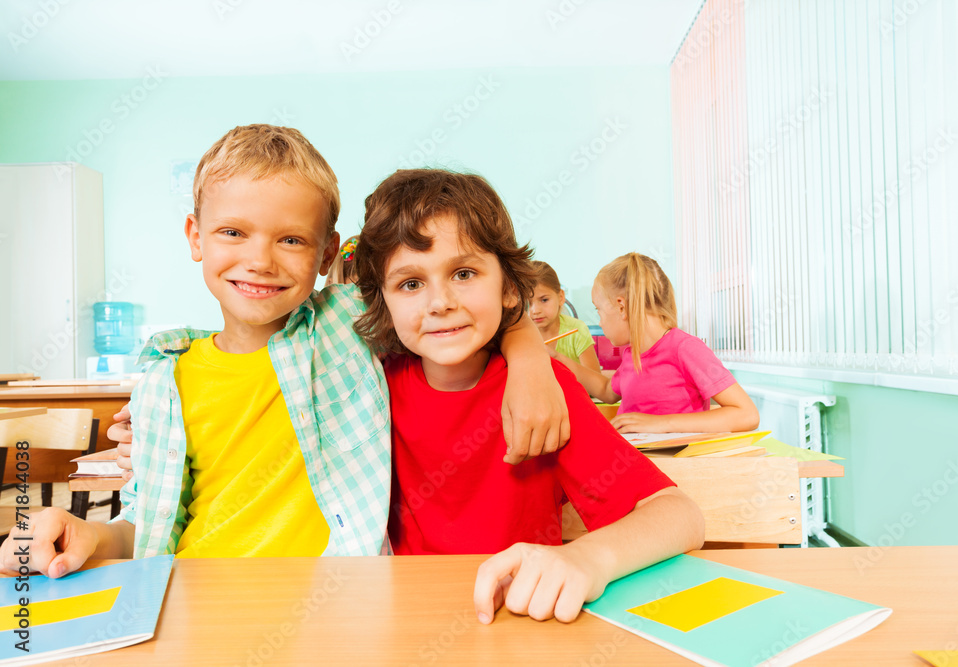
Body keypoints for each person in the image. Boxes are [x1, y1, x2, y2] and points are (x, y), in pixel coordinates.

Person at [0, 125, 568, 578]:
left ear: (327, 255)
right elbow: (150, 528)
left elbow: (455, 300)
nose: (260, 260)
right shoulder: (167, 380)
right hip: (192, 602)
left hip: (334, 607)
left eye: (291, 239)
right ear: (195, 236)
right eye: (232, 233)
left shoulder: (347, 325)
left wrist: (529, 357)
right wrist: (92, 534)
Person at [352, 168, 705, 624]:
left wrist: (587, 559)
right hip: (404, 619)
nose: (439, 302)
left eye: (463, 273)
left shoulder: (545, 391)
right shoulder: (371, 384)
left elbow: (681, 517)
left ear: (507, 289)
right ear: (382, 299)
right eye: (410, 284)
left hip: (519, 620)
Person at [554, 253, 759, 434]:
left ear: (621, 307)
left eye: (598, 309)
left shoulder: (685, 348)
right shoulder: (632, 354)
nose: (599, 321)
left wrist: (660, 423)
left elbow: (747, 414)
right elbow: (608, 390)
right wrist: (557, 358)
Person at [528, 261, 600, 371]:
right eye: (527, 303)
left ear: (561, 297)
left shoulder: (576, 329)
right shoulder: (520, 335)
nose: (535, 311)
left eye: (544, 300)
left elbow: (596, 379)